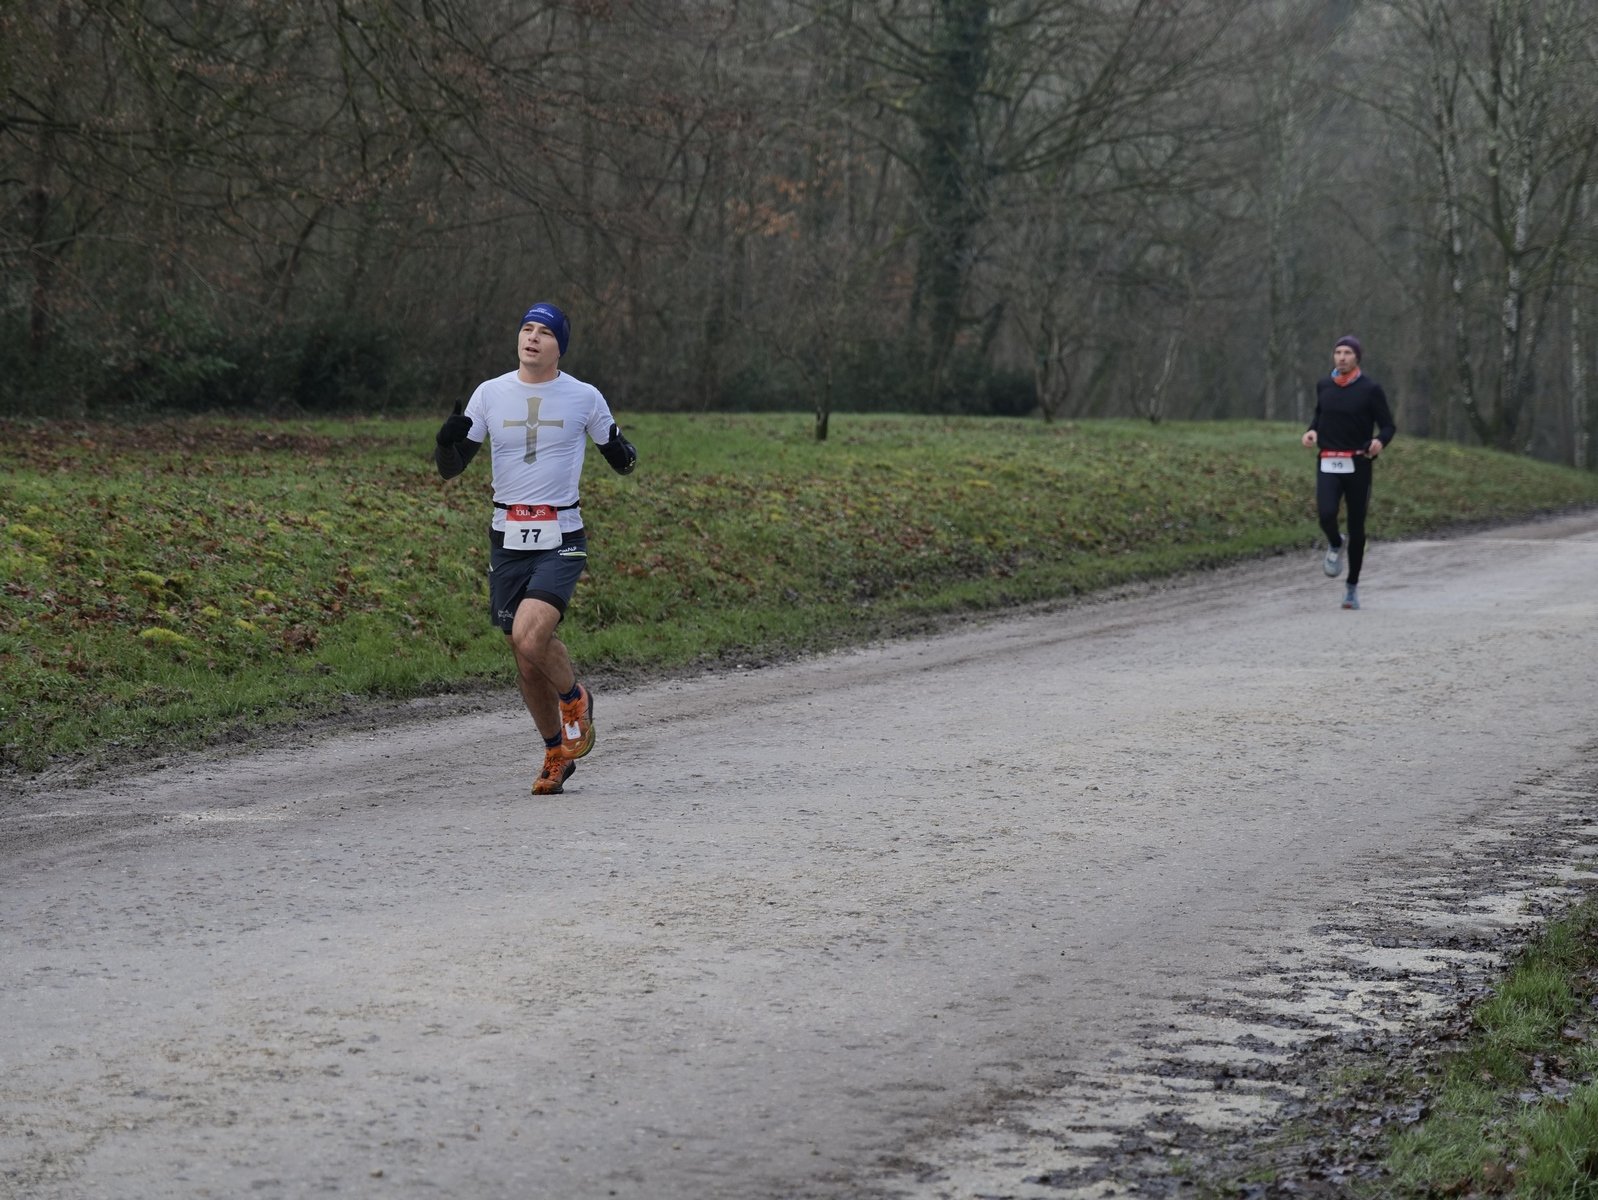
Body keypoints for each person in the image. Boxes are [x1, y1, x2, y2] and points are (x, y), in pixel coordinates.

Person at [435, 302, 637, 795]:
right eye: (526, 328)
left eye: (544, 332)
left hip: (560, 536)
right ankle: (555, 754)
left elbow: (623, 460)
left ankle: (575, 698)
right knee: (526, 657)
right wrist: (445, 444)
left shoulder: (584, 396)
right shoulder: (490, 393)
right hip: (506, 535)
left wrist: (619, 447)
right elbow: (451, 468)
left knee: (531, 637)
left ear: (559, 346)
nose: (532, 337)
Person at [1300, 335, 1395, 611]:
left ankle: (1351, 588)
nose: (1341, 357)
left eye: (1347, 353)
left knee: (1357, 526)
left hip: (1358, 464)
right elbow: (1320, 416)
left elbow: (1388, 426)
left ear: (1357, 358)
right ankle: (1334, 542)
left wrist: (1379, 442)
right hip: (1328, 461)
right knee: (1326, 514)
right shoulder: (1324, 385)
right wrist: (1311, 431)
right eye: (1338, 352)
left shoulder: (1370, 389)